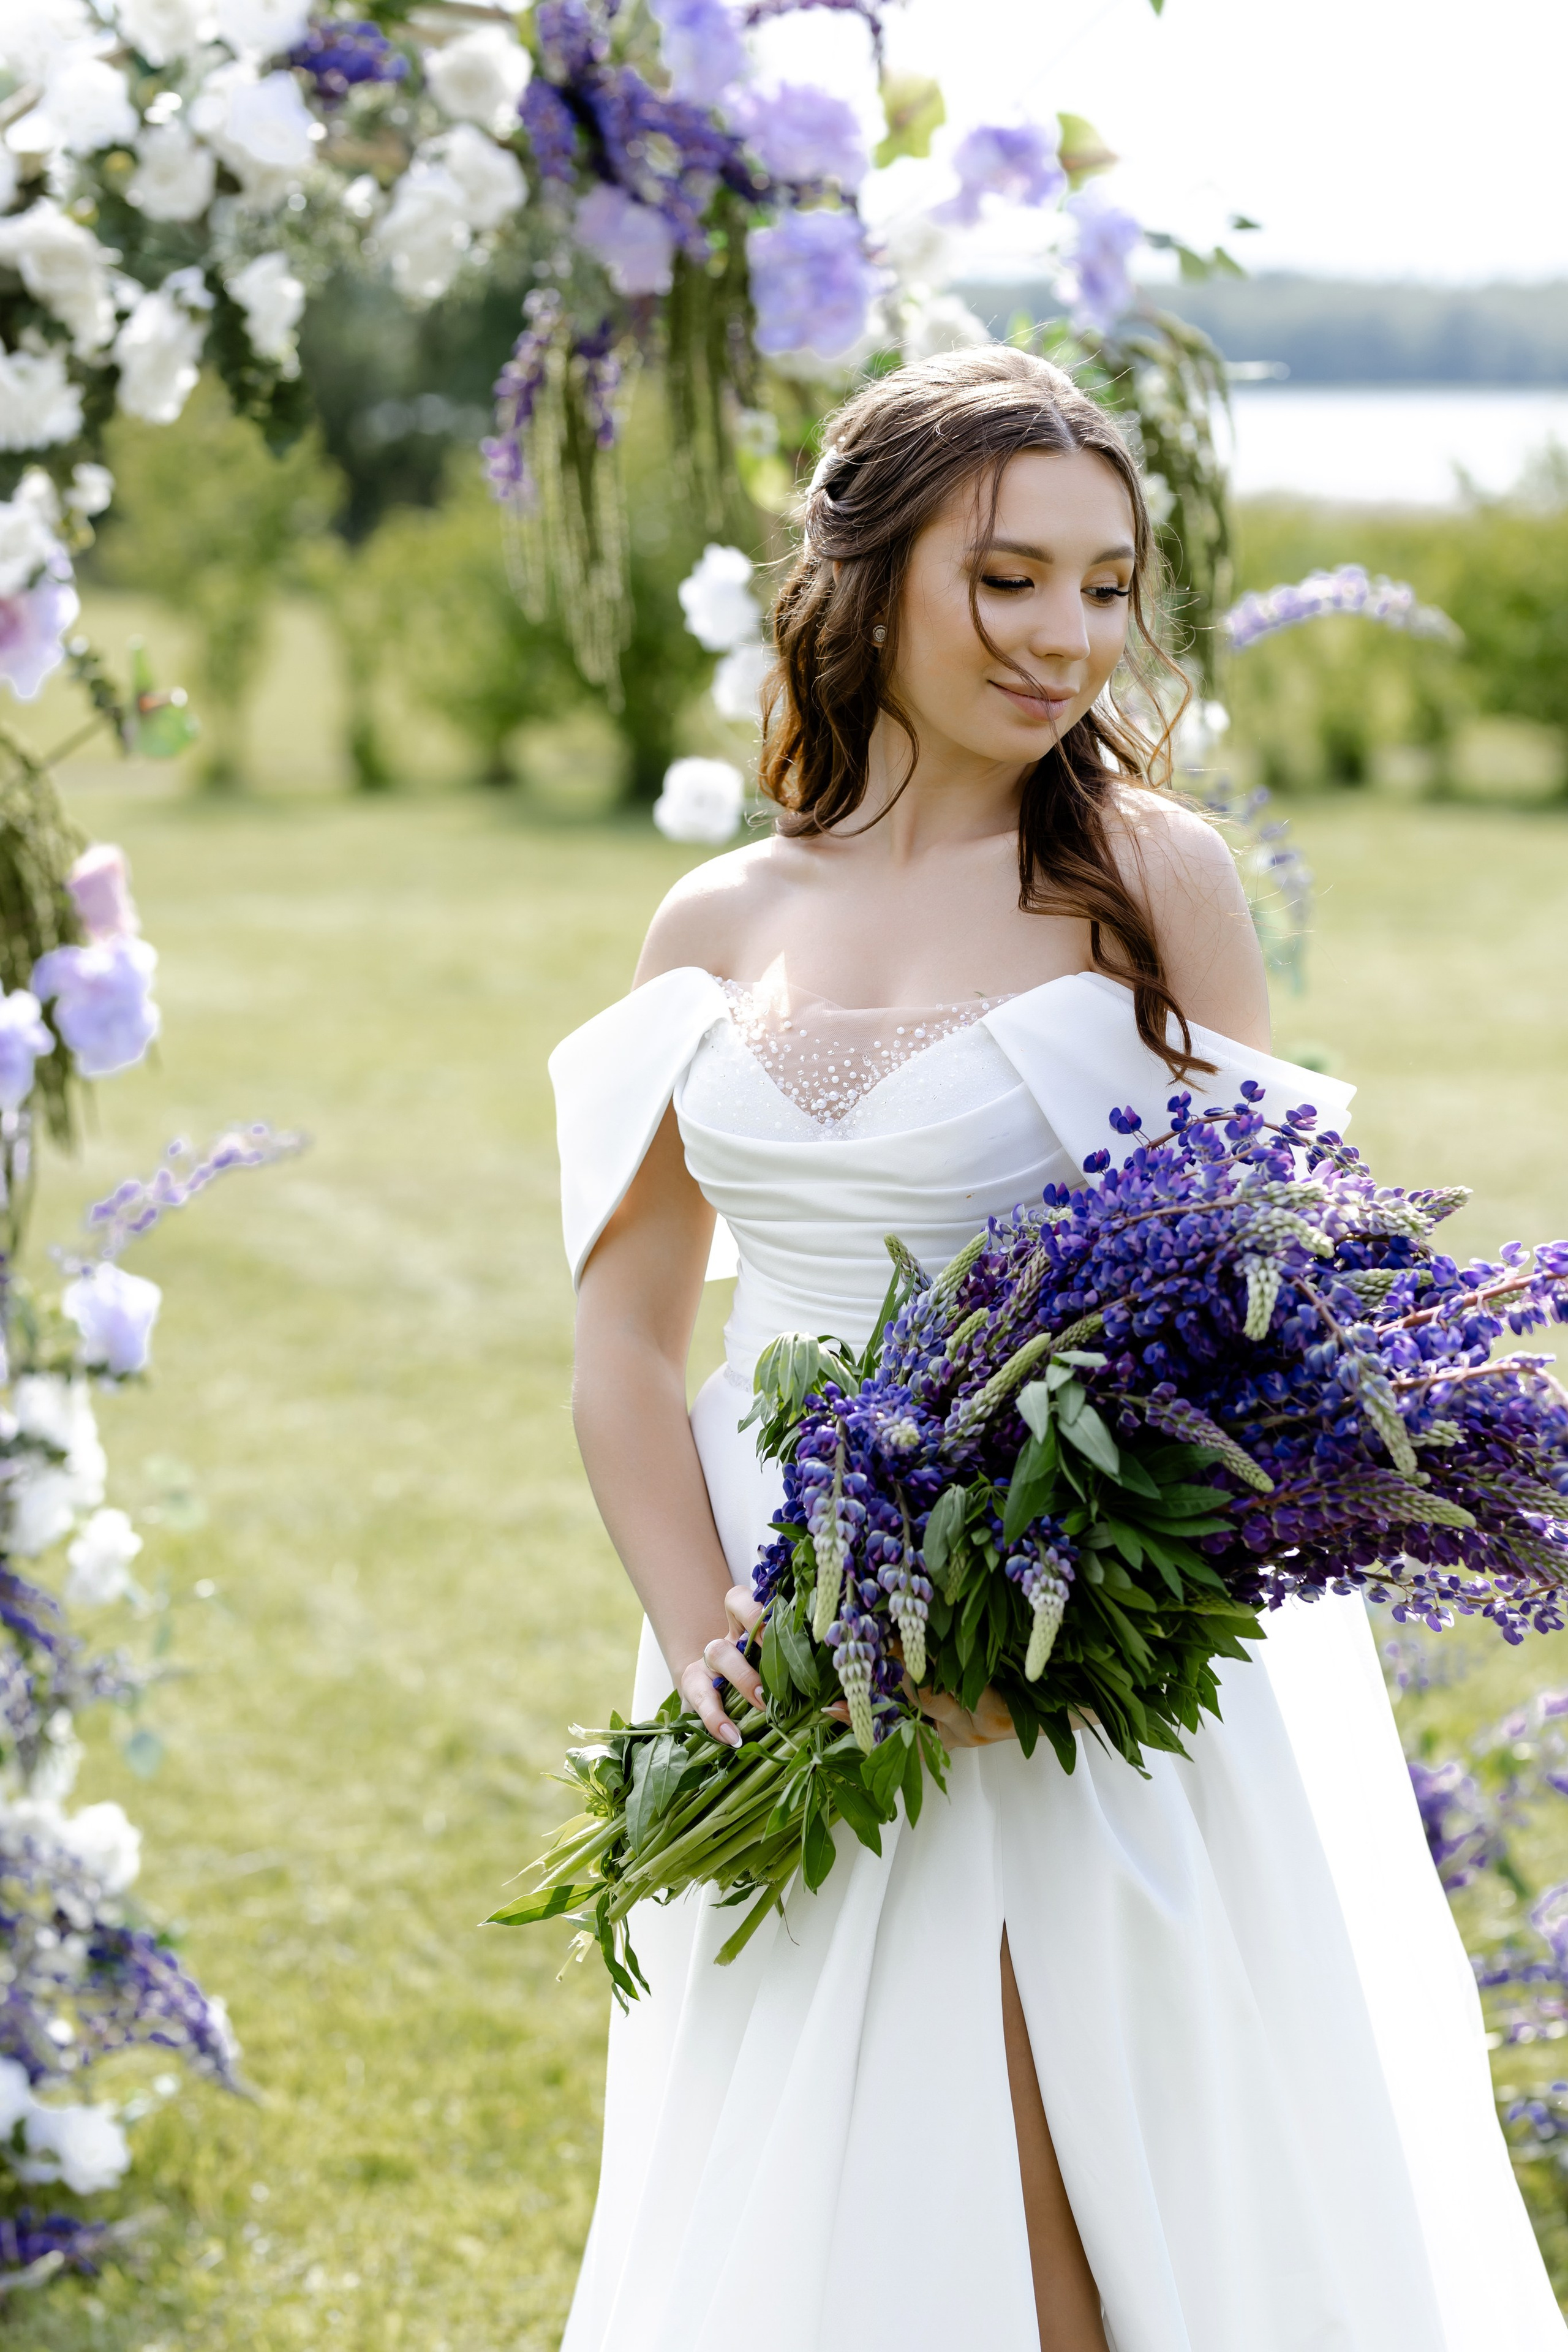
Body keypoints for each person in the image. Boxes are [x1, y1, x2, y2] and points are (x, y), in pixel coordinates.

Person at [548, 348, 1564, 2351]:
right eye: (1006, 578)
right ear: (862, 580)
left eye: (1106, 587)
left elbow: (1274, 1311)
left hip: (1076, 1655)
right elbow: (624, 1343)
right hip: (782, 1630)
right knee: (831, 2192)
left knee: (1067, 2197)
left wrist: (1038, 1633)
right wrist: (708, 1641)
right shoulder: (712, 925)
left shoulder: (1147, 882)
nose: (1066, 637)